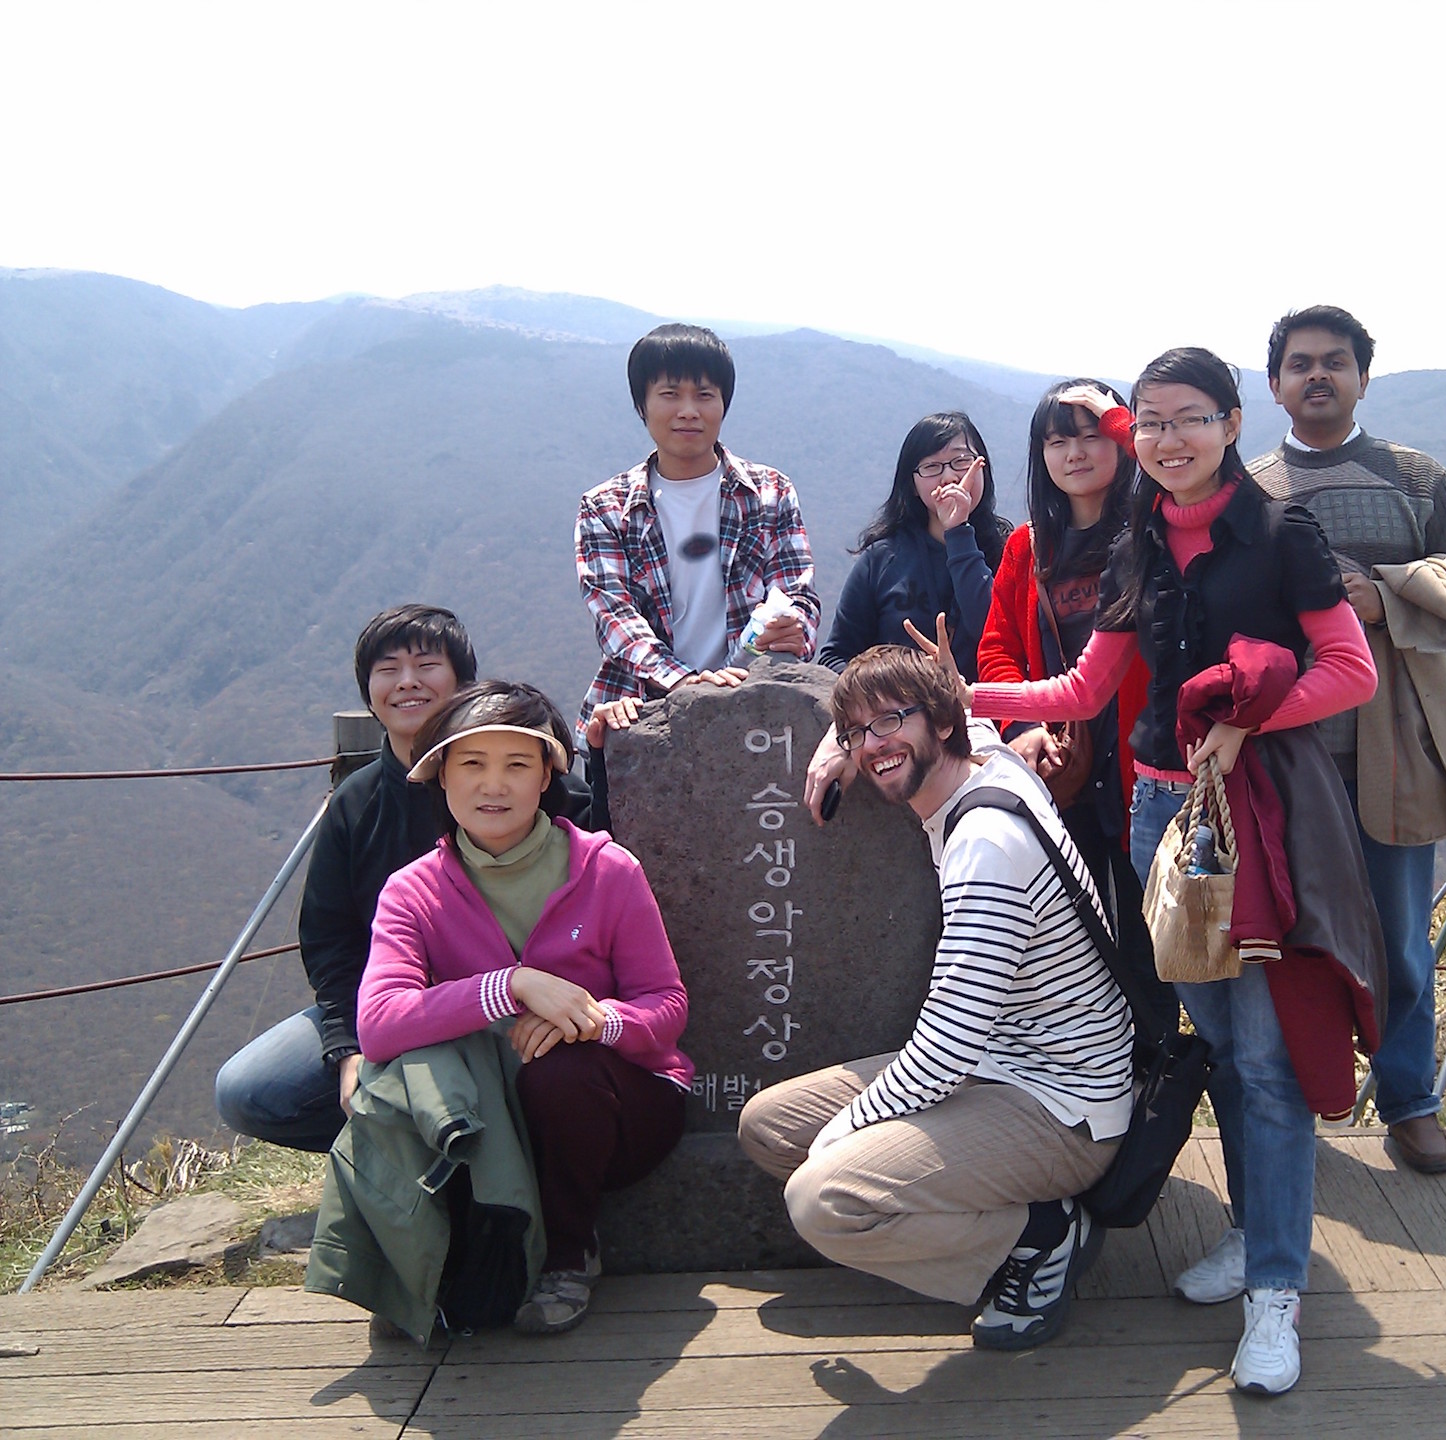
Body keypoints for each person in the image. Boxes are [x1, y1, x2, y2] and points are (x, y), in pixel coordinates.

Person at [958, 348, 1383, 1397]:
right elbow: (1085, 684)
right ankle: (1250, 1230)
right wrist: (961, 692)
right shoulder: (1139, 538)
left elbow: (1351, 670)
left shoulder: (1282, 535)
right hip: (1160, 818)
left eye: (1187, 418)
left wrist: (1246, 720)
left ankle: (1277, 1290)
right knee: (1228, 1043)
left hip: (1257, 818)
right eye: (1148, 422)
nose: (1165, 439)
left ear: (1233, 422)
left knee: (1273, 1055)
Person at [737, 647, 1133, 1353]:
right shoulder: (991, 759)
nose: (875, 743)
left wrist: (843, 1134)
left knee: (819, 1196)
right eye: (859, 731)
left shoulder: (985, 848)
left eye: (891, 721)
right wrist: (842, 739)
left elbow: (945, 1049)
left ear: (944, 723)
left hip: (1063, 1102)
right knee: (769, 1130)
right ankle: (989, 1218)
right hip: (996, 1063)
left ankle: (1041, 1236)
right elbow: (933, 702)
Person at [356, 681, 692, 1335]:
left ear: (546, 776)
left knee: (562, 1070)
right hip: (489, 1119)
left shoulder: (606, 869)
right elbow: (378, 1023)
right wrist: (510, 986)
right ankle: (427, 1264)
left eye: (517, 765)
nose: (494, 785)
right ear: (441, 779)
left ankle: (569, 1256)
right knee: (394, 1078)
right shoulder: (413, 892)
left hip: (621, 1111)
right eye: (473, 765)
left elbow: (667, 1005)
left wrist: (596, 1021)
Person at [1250, 306, 1446, 1179]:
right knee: (1295, 935)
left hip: (1399, 746)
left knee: (1399, 940)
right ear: (1273, 385)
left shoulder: (1416, 480)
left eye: (1336, 363)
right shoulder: (1251, 490)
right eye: (1301, 364)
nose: (1318, 376)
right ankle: (1299, 1100)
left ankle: (1410, 1103)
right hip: (1289, 755)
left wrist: (1384, 599)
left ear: (1363, 376)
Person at [215, 605, 585, 1153]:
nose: (407, 682)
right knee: (250, 1091)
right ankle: (404, 1143)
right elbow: (331, 942)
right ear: (368, 692)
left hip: (514, 1006)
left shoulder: (538, 790)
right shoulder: (355, 804)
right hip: (392, 1007)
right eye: (387, 669)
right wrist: (350, 1047)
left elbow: (595, 904)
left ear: (464, 683)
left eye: (426, 665)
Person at [976, 380, 1174, 1040]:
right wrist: (1024, 729)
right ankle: (1101, 1097)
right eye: (1057, 439)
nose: (1076, 452)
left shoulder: (1156, 533)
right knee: (1077, 943)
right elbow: (998, 650)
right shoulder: (1028, 550)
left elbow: (1167, 467)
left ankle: (1160, 1090)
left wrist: (1120, 415)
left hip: (1148, 773)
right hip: (1061, 772)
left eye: (1092, 434)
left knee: (1157, 948)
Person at [575, 322, 821, 735]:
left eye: (704, 395)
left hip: (754, 712)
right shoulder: (606, 508)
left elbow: (798, 594)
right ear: (642, 405)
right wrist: (688, 685)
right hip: (641, 718)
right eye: (670, 394)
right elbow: (616, 619)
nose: (688, 410)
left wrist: (794, 627)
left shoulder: (769, 493)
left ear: (723, 404)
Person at [818, 411, 1011, 681]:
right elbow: (834, 657)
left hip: (983, 715)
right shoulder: (883, 558)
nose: (949, 477)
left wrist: (958, 532)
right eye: (932, 467)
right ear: (912, 484)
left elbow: (995, 633)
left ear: (983, 468)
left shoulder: (1012, 553)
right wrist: (889, 692)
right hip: (895, 717)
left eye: (961, 461)